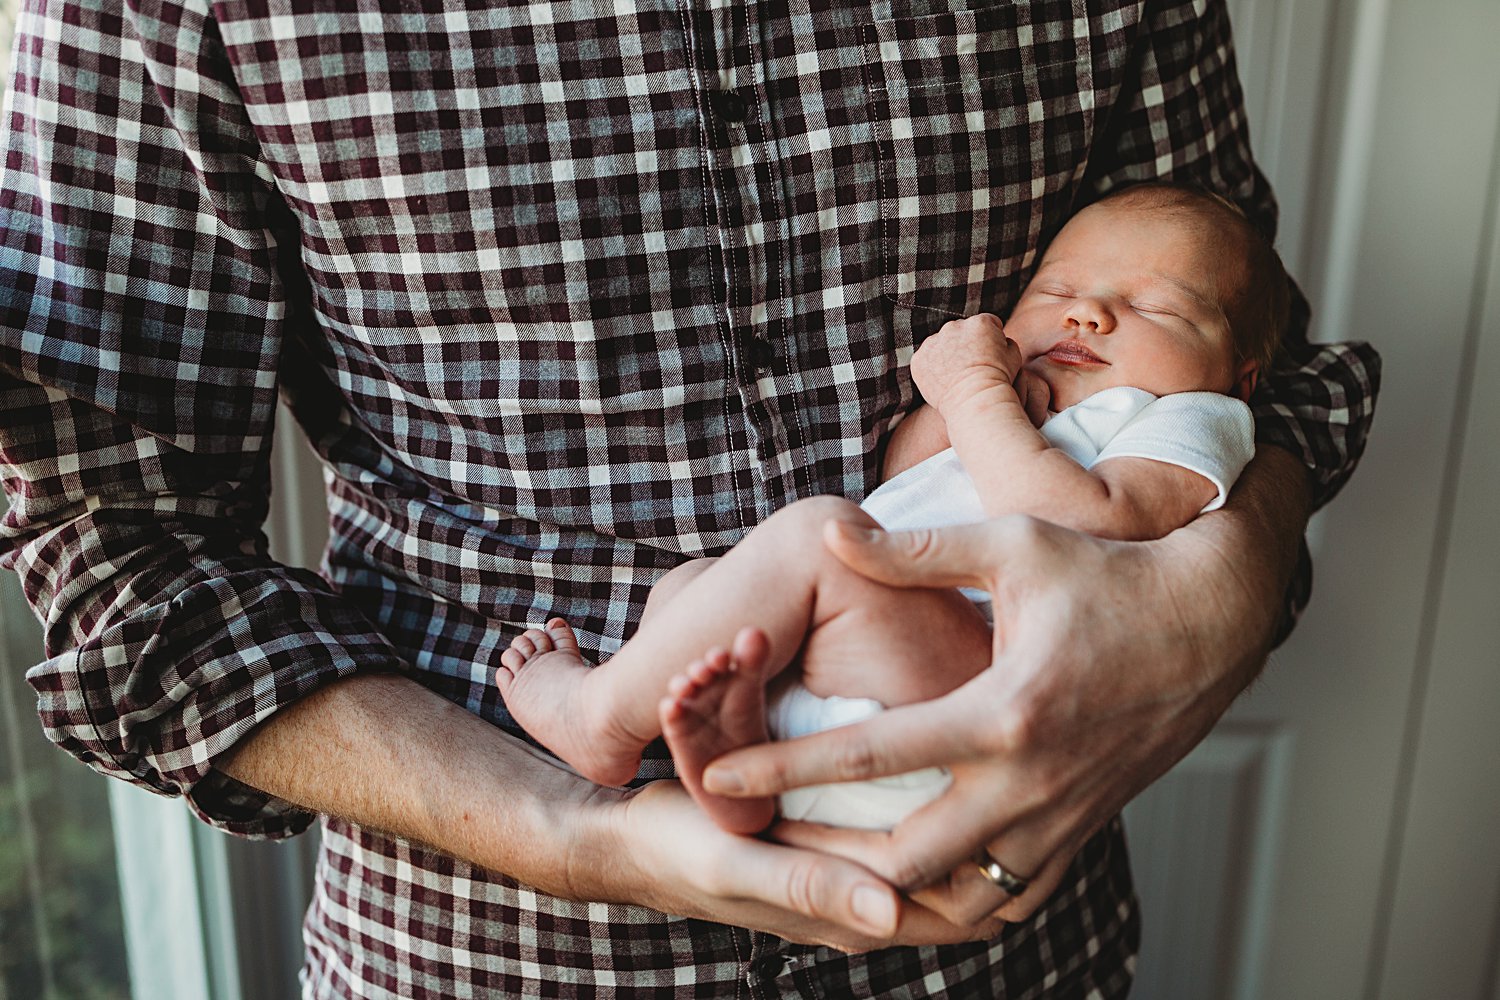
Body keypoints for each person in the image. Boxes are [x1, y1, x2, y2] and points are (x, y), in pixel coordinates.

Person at [0, 0, 1380, 995]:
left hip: (1011, 925)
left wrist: (1218, 599)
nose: (1082, 318)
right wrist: (573, 835)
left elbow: (1252, 365)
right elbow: (124, 560)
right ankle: (605, 708)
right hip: (485, 946)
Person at [498, 182, 1279, 837]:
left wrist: (977, 402)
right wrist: (973, 397)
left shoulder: (1188, 417)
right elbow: (903, 479)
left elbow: (1082, 528)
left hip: (974, 694)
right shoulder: (1014, 404)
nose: (1089, 315)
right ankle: (740, 764)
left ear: (1238, 377)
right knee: (696, 586)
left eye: (1157, 308)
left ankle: (601, 716)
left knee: (815, 534)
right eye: (1058, 291)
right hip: (860, 683)